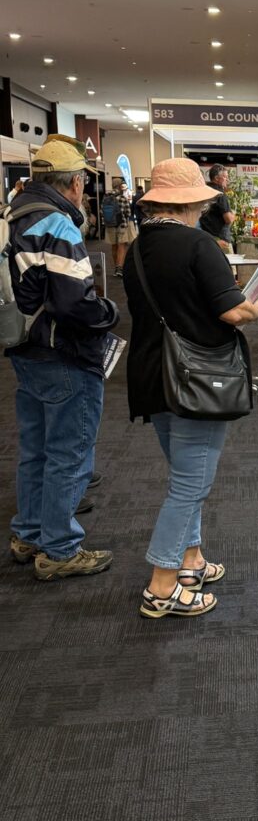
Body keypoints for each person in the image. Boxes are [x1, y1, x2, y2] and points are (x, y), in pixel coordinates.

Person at [122, 158, 258, 619]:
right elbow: (233, 312)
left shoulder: (137, 248)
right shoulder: (198, 245)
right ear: (194, 201)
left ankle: (191, 561)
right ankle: (162, 585)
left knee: (184, 473)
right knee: (190, 484)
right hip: (200, 378)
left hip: (153, 373)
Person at [5, 134, 119, 580]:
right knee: (69, 453)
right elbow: (75, 304)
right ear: (73, 183)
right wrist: (109, 312)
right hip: (63, 353)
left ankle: (28, 533)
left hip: (23, 346)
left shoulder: (14, 214)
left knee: (35, 449)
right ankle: (59, 549)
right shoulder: (57, 225)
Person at [199, 164, 235, 252]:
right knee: (228, 265)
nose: (227, 179)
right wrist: (233, 214)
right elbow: (228, 219)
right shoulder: (220, 194)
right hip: (221, 240)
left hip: (206, 238)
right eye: (225, 177)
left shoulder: (204, 192)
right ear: (216, 178)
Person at [104, 179, 136, 277]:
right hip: (121, 225)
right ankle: (119, 268)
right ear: (119, 186)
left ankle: (115, 268)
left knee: (114, 246)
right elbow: (128, 213)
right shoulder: (122, 197)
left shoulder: (106, 197)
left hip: (110, 225)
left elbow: (102, 212)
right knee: (121, 246)